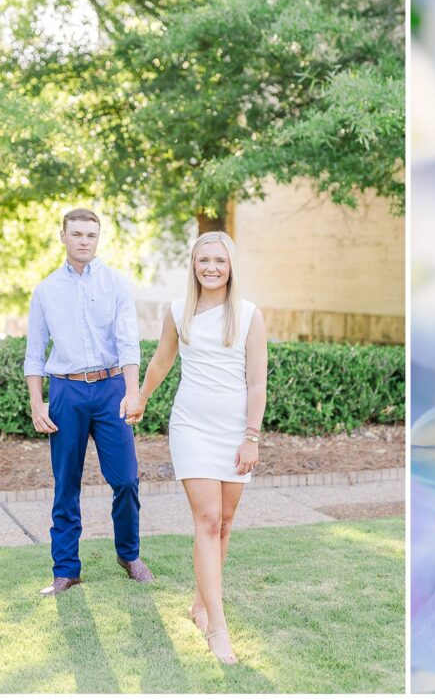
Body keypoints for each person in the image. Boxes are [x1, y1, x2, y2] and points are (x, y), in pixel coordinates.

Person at [128, 230, 267, 665]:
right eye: (203, 260)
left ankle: (200, 604)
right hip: (191, 427)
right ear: (193, 264)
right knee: (207, 520)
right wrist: (142, 398)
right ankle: (219, 630)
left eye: (219, 261)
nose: (211, 267)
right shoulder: (177, 311)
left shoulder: (248, 315)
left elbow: (257, 382)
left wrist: (251, 436)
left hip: (236, 432)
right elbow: (161, 361)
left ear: (231, 267)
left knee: (224, 523)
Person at [24, 208, 154, 596]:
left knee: (126, 478)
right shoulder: (46, 290)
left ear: (98, 239)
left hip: (111, 387)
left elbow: (129, 342)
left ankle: (129, 555)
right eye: (77, 234)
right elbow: (34, 353)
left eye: (91, 235)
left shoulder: (115, 284)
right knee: (66, 484)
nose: (84, 241)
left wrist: (132, 393)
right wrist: (37, 403)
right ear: (62, 236)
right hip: (66, 392)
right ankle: (66, 570)